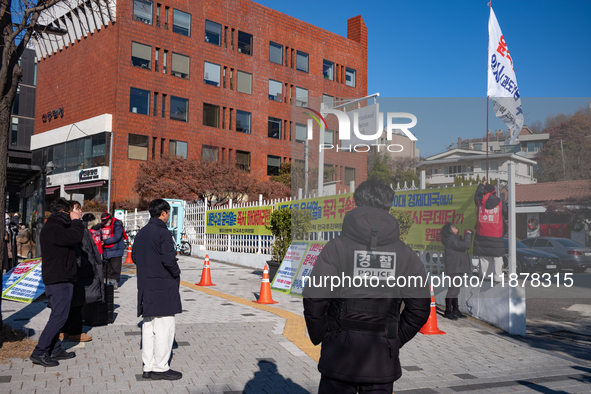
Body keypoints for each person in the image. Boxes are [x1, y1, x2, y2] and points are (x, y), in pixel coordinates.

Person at [303, 179, 431, 394]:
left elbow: (315, 297)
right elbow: (419, 308)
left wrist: (323, 335)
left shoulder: (336, 247)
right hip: (381, 359)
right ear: (389, 206)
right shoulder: (406, 254)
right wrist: (394, 338)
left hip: (339, 357)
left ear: (356, 203)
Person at [30, 197, 85, 367]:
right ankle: (39, 351)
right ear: (64, 211)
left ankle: (55, 349)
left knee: (60, 315)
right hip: (58, 278)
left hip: (61, 276)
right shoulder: (54, 227)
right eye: (72, 210)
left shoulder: (56, 225)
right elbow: (75, 237)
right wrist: (76, 222)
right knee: (59, 316)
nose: (76, 213)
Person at [132, 199, 182, 381]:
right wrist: (177, 273)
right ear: (163, 213)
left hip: (146, 286)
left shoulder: (141, 233)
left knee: (148, 326)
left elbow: (135, 256)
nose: (168, 216)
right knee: (164, 328)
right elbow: (169, 260)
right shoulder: (163, 232)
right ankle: (161, 367)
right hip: (162, 287)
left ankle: (148, 366)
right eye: (168, 213)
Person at [60, 206, 104, 343]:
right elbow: (76, 248)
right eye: (77, 209)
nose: (81, 212)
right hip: (79, 270)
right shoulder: (74, 227)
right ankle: (74, 332)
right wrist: (83, 262)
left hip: (78, 270)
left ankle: (65, 330)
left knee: (73, 302)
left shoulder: (78, 226)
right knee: (77, 303)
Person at [474, 182, 508, 282]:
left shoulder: (480, 201)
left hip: (482, 234)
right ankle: (498, 276)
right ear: (494, 192)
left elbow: (477, 195)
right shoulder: (501, 202)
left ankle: (486, 276)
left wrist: (481, 185)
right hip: (496, 234)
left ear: (484, 192)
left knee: (484, 256)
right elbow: (506, 214)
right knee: (497, 256)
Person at [441, 223, 473, 320]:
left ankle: (455, 310)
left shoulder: (453, 238)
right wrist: (467, 234)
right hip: (455, 268)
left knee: (456, 290)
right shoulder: (451, 240)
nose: (456, 228)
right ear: (449, 230)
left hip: (457, 267)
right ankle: (448, 311)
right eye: (453, 227)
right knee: (452, 290)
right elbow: (466, 245)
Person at [94, 212, 127, 288]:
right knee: (106, 268)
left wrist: (104, 242)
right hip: (106, 250)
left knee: (115, 268)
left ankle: (114, 284)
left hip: (116, 250)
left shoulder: (117, 225)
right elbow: (94, 228)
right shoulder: (102, 225)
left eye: (106, 222)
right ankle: (106, 283)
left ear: (110, 220)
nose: (105, 224)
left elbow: (117, 237)